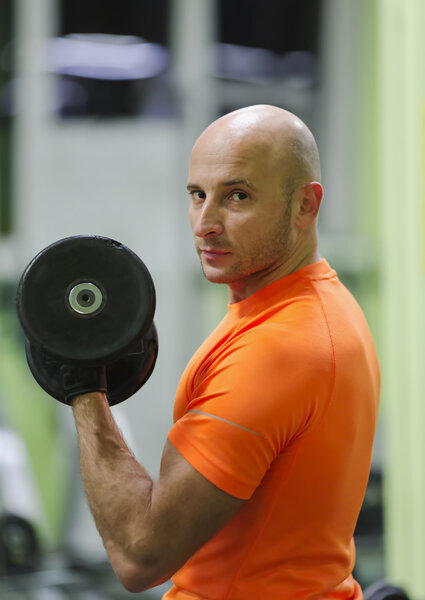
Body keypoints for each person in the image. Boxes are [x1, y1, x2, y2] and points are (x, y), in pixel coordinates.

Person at [70, 104, 380, 599]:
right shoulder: (315, 303)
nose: (205, 223)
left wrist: (83, 387)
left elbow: (140, 555)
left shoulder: (279, 348)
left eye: (238, 196)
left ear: (305, 205)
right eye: (197, 195)